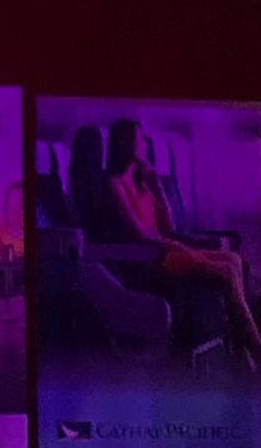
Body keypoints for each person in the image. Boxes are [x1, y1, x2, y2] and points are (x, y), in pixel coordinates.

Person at [105, 118, 261, 368]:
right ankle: (254, 346)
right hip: (152, 259)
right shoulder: (115, 184)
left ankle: (241, 347)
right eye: (140, 139)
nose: (144, 145)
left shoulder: (143, 184)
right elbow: (138, 231)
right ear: (126, 143)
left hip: (166, 249)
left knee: (235, 259)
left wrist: (157, 187)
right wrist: (172, 245)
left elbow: (168, 227)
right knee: (226, 270)